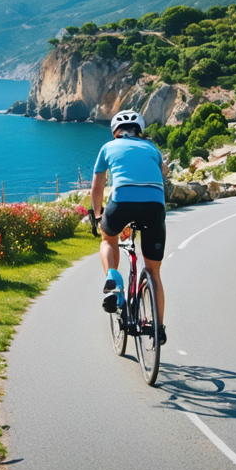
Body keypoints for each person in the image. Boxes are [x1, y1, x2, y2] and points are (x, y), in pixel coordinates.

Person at [89, 109, 168, 345]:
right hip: (155, 206)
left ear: (115, 132)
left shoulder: (107, 148)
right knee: (154, 272)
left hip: (122, 202)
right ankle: (159, 328)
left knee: (108, 239)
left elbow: (97, 188)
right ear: (139, 132)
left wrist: (97, 216)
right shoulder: (153, 149)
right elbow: (162, 178)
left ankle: (113, 280)